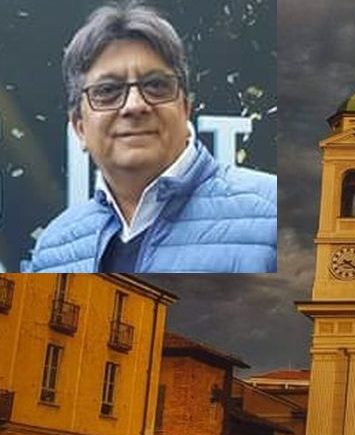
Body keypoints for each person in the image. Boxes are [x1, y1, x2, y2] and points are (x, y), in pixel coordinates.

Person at [24, 1, 276, 273]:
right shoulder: (53, 252)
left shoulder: (273, 214)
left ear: (185, 108)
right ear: (79, 127)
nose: (134, 105)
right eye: (108, 90)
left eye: (156, 85)